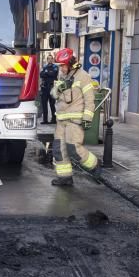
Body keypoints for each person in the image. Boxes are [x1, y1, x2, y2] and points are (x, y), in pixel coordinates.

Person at [50, 48, 100, 186]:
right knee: (58, 149)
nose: (61, 68)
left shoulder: (83, 76)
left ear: (71, 63)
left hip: (75, 120)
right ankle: (65, 177)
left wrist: (87, 118)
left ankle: (95, 165)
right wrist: (58, 90)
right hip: (61, 119)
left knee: (73, 149)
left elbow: (90, 100)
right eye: (60, 66)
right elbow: (55, 95)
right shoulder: (62, 76)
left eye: (63, 65)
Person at [40, 54, 58, 124]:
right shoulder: (44, 66)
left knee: (52, 105)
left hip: (52, 88)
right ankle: (45, 120)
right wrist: (47, 73)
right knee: (44, 104)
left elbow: (53, 74)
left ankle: (54, 119)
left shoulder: (55, 67)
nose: (50, 60)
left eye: (51, 59)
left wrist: (46, 73)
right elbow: (41, 75)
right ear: (47, 60)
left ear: (52, 59)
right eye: (49, 59)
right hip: (44, 88)